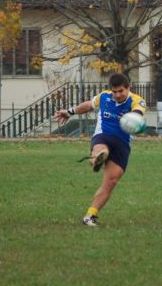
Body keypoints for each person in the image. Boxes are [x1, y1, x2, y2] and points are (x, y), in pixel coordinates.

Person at [54, 73, 147, 226]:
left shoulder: (137, 100)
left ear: (128, 88)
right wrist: (70, 112)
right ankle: (96, 158)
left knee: (111, 181)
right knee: (100, 150)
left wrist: (132, 119)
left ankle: (90, 215)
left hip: (123, 143)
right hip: (103, 136)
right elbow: (89, 105)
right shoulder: (104, 97)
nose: (117, 95)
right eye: (114, 91)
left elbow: (138, 113)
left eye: (121, 91)